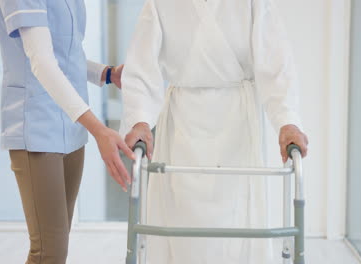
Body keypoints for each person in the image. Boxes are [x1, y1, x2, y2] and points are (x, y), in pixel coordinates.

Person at [121, 0, 309, 263]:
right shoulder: (159, 4)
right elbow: (141, 68)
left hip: (237, 126)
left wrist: (287, 122)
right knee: (181, 219)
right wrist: (140, 120)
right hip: (182, 123)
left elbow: (276, 64)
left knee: (237, 219)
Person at [0, 1, 133, 263]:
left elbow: (67, 54)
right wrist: (99, 130)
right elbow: (42, 62)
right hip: (36, 127)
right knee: (48, 252)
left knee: (56, 247)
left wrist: (107, 73)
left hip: (70, 127)